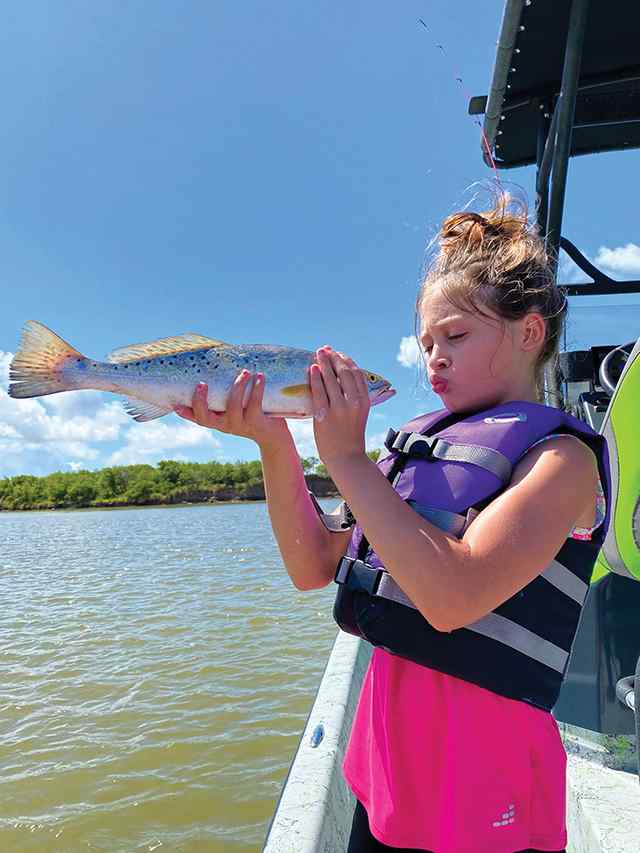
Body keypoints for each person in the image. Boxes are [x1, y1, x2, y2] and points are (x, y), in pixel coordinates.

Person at [174, 193, 610, 853]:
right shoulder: (411, 453)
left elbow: (454, 596)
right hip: (386, 787)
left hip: (488, 805)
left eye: (456, 337)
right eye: (427, 341)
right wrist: (274, 440)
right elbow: (313, 564)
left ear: (529, 332)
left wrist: (347, 457)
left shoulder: (562, 460)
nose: (433, 357)